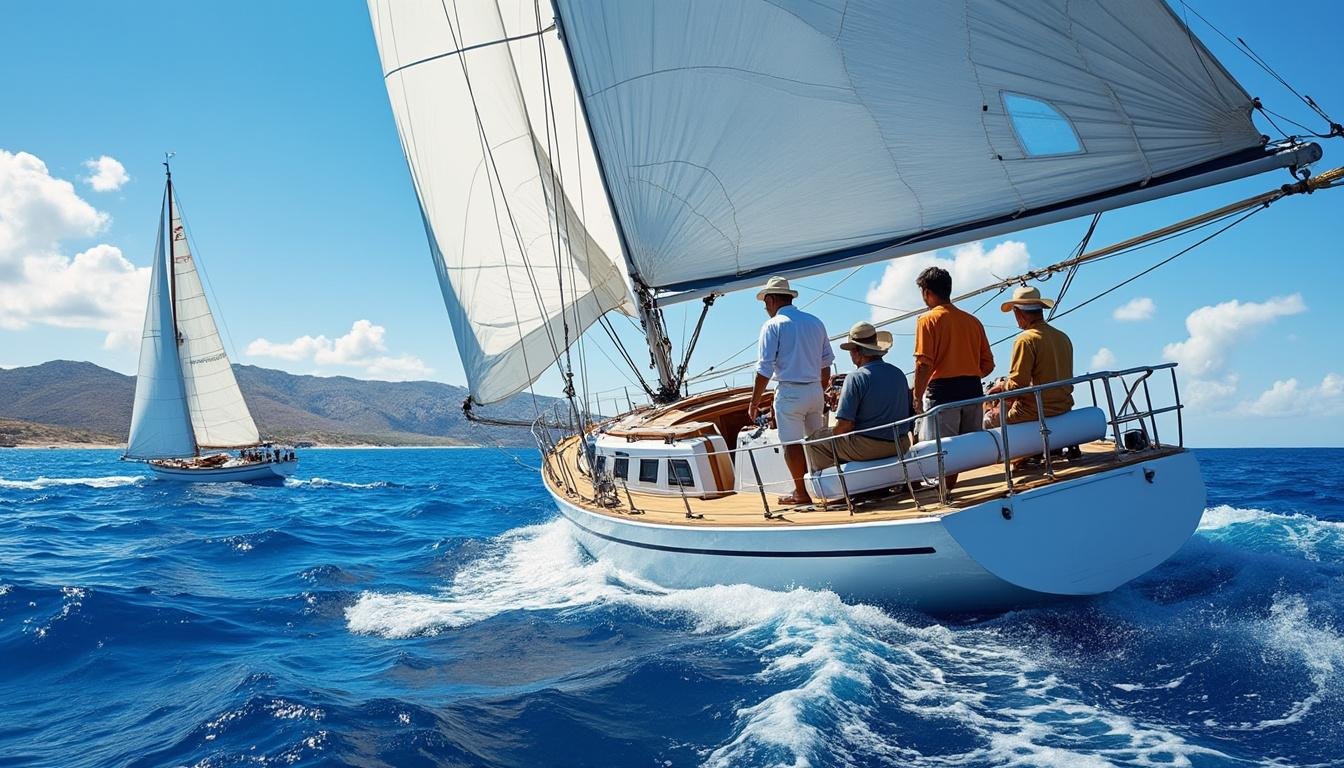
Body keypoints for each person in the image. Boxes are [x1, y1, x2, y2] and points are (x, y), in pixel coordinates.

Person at [746, 276, 833, 505]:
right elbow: (826, 365)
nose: (765, 308)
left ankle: (801, 493)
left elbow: (764, 370)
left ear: (772, 300)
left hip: (790, 392)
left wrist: (754, 403)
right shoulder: (816, 322)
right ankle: (828, 490)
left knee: (791, 444)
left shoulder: (773, 325)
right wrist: (820, 390)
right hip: (815, 390)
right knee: (817, 442)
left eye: (765, 302)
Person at [912, 266, 994, 489]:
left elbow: (924, 363)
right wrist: (967, 370)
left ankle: (945, 491)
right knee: (966, 448)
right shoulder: (972, 322)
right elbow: (988, 364)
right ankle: (950, 487)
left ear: (927, 292)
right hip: (972, 390)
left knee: (944, 449)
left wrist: (917, 395)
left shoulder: (927, 321)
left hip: (943, 392)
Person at [805, 322, 913, 472]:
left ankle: (840, 491)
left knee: (814, 441)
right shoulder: (898, 373)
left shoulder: (856, 378)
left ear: (857, 352)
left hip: (869, 447)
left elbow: (845, 426)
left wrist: (828, 435)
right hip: (901, 444)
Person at [985, 285, 1074, 427]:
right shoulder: (1062, 337)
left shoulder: (1025, 339)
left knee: (988, 420)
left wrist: (1000, 388)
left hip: (1034, 411)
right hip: (1063, 406)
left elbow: (1017, 385)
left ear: (1017, 312)